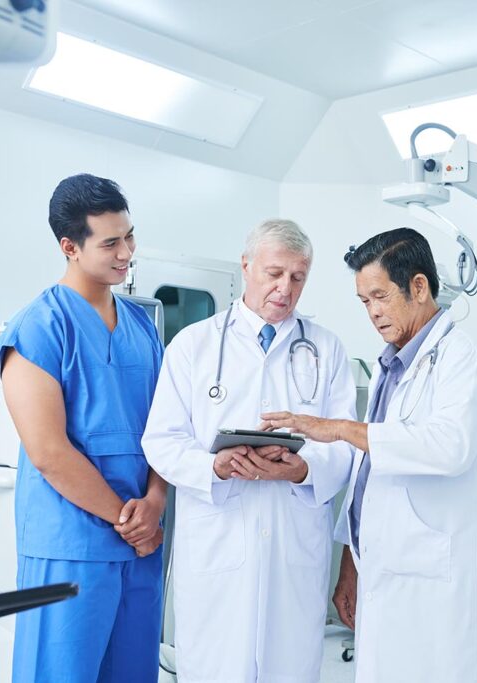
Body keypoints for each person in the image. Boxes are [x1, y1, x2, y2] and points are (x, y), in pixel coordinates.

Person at [260, 227, 477, 683]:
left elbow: (448, 448)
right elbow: (368, 475)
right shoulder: (389, 366)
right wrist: (349, 566)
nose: (372, 312)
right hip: (385, 569)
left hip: (438, 579)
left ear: (419, 286)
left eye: (380, 296)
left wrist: (339, 429)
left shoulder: (464, 359)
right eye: (364, 301)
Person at [141, 219, 357, 683]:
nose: (285, 289)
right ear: (246, 266)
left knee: (289, 667)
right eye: (274, 274)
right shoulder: (193, 345)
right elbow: (161, 440)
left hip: (292, 549)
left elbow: (345, 446)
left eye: (298, 277)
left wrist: (302, 470)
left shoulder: (326, 349)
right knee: (216, 668)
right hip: (218, 544)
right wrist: (214, 467)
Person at [0, 174, 166, 683]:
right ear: (70, 247)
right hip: (70, 543)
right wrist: (127, 519)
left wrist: (155, 502)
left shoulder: (142, 327)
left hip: (141, 542)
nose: (127, 253)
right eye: (111, 243)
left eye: (130, 237)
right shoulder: (38, 327)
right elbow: (48, 451)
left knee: (133, 672)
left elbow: (169, 428)